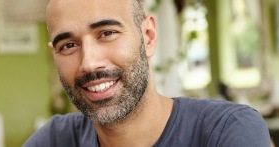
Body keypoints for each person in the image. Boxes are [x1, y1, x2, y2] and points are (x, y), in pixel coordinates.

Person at [23, 0, 271, 146]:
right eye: (68, 45)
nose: (89, 63)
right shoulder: (55, 139)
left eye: (107, 33)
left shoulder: (227, 130)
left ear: (148, 36)